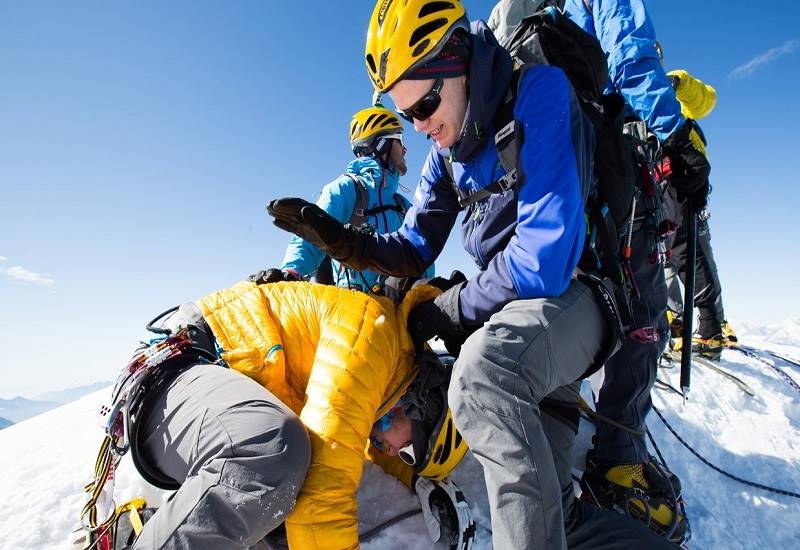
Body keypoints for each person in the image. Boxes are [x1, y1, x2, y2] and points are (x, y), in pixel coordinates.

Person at [267, 1, 677, 547]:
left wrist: (449, 309)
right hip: (523, 326)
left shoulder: (539, 93)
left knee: (482, 375)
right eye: (407, 115)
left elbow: (544, 258)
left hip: (578, 300)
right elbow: (415, 244)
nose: (419, 126)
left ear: (459, 58)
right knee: (551, 512)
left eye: (427, 102)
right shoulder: (446, 151)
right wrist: (350, 246)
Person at [488, 0, 709, 539]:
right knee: (642, 307)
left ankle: (554, 432)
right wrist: (677, 139)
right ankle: (616, 457)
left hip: (560, 167)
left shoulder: (514, 16)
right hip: (616, 155)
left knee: (574, 292)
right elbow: (630, 54)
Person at [107, 278, 473, 549]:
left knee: (279, 521)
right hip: (172, 377)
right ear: (422, 404)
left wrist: (421, 481)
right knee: (274, 451)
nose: (393, 454)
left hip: (187, 415)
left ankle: (139, 533)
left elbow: (359, 447)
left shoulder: (388, 390)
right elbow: (325, 486)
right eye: (408, 451)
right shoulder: (375, 333)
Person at [252, 105, 433, 291]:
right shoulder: (346, 189)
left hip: (399, 308)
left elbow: (419, 258)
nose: (405, 149)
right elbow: (312, 236)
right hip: (354, 306)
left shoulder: (402, 206)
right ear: (382, 145)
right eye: (399, 140)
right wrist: (291, 273)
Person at [658, 61, 737, 359]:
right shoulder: (633, 90)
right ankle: (676, 320)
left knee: (690, 250)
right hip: (659, 181)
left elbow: (706, 100)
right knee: (665, 254)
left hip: (682, 176)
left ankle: (710, 327)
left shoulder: (671, 88)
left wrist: (678, 84)